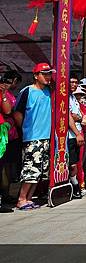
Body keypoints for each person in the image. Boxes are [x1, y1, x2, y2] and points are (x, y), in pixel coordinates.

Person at [13, 63, 54, 209]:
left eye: (49, 73)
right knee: (30, 169)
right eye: (44, 74)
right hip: (32, 137)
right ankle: (21, 199)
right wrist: (26, 129)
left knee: (40, 171)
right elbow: (17, 113)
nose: (48, 76)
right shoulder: (27, 91)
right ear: (36, 76)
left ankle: (29, 198)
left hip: (46, 137)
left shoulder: (50, 91)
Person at [0, 70, 22, 212]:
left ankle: (6, 195)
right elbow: (8, 111)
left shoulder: (9, 94)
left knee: (6, 166)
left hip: (10, 135)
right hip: (3, 133)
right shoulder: (3, 94)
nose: (7, 85)